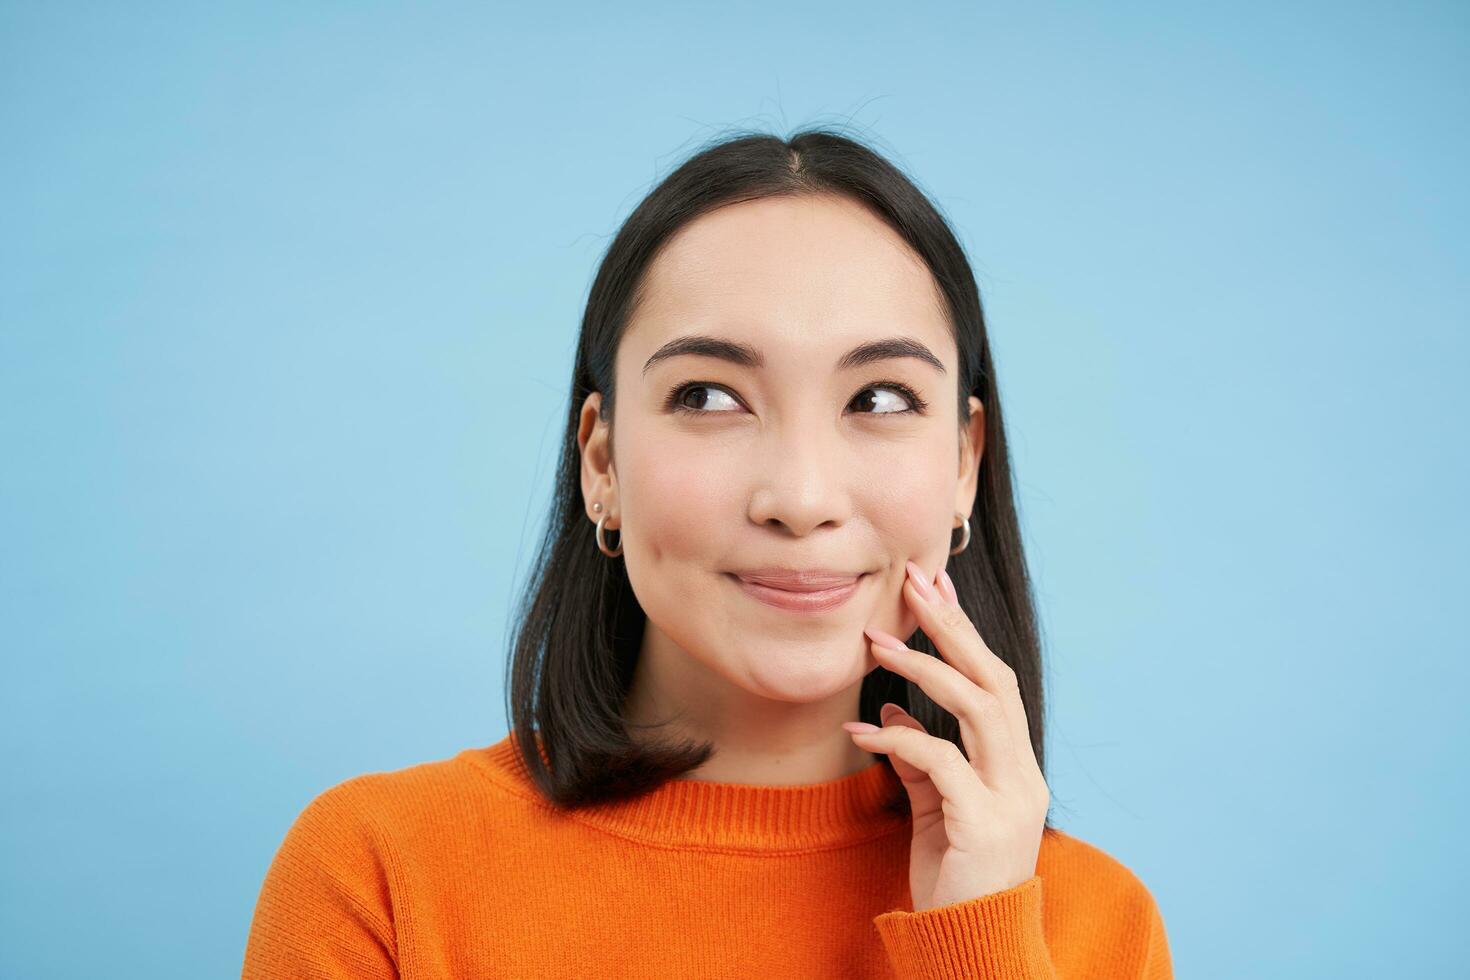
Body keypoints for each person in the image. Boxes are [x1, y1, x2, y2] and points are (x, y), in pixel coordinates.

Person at [241, 128, 1174, 979]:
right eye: (710, 397)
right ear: (601, 461)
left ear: (966, 463)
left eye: (881, 400)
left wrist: (982, 946)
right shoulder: (380, 875)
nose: (801, 500)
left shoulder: (1094, 927)